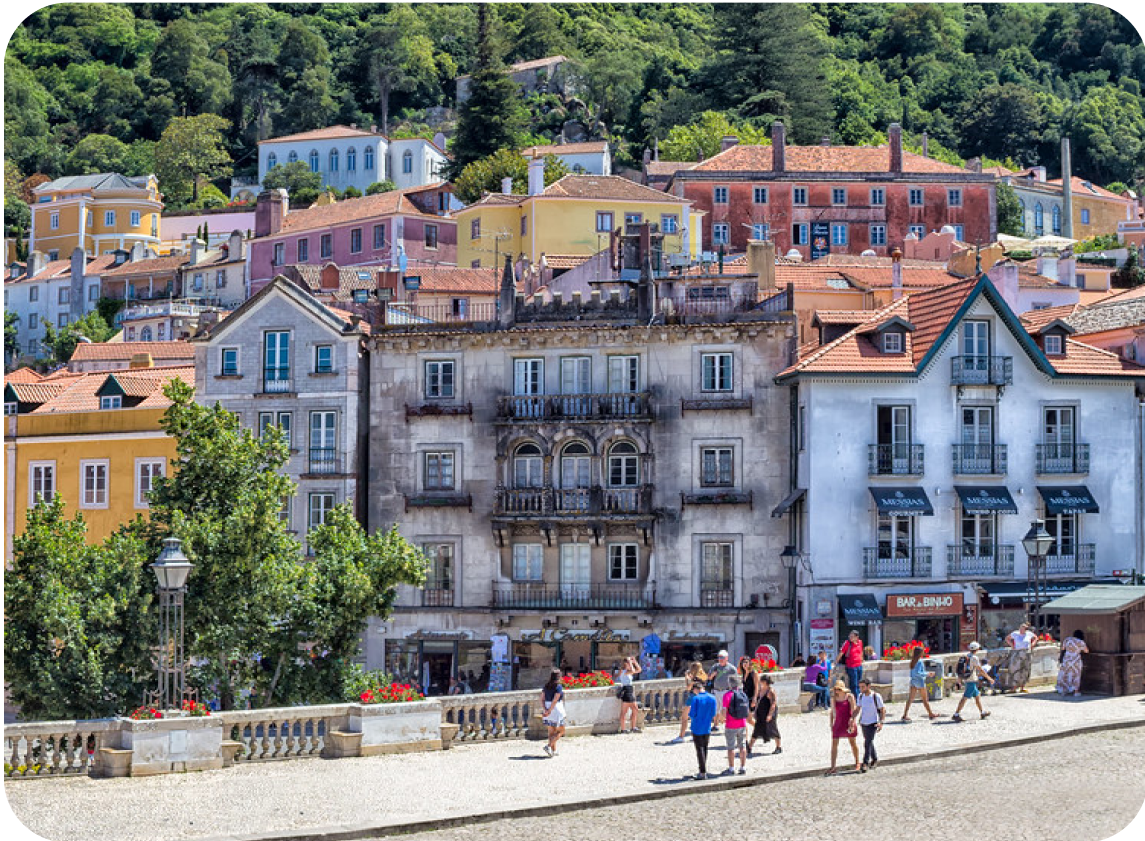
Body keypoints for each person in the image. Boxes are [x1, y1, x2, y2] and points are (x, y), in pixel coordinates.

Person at [952, 642, 995, 722]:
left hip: (968, 679)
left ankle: (982, 712)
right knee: (964, 698)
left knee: (977, 696)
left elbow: (960, 670)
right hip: (971, 680)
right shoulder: (974, 658)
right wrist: (989, 678)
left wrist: (959, 680)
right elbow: (980, 670)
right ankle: (956, 714)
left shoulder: (966, 657)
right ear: (977, 649)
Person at [668, 661, 709, 744]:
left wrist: (688, 678)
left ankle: (681, 736)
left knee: (684, 717)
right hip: (702, 698)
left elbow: (688, 688)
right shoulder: (703, 676)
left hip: (693, 698)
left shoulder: (693, 678)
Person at [826, 679, 861, 775]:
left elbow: (853, 710)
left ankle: (857, 762)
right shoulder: (833, 698)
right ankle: (833, 766)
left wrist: (853, 723)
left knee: (852, 743)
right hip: (838, 722)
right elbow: (832, 712)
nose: (837, 691)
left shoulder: (849, 697)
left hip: (848, 721)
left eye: (839, 689)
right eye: (836, 689)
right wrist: (831, 723)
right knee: (834, 744)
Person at [686, 679, 718, 780]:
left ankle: (702, 771)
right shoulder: (712, 698)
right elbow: (713, 713)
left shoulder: (696, 699)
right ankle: (703, 769)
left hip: (697, 726)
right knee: (705, 748)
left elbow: (692, 714)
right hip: (707, 726)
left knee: (699, 749)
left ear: (696, 689)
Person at [900, 644, 940, 721]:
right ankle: (931, 714)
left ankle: (905, 715)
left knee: (910, 699)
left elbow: (913, 673)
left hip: (913, 681)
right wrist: (928, 674)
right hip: (920, 681)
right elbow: (919, 673)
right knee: (925, 700)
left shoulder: (912, 661)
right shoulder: (920, 662)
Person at [720, 675, 749, 775]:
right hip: (742, 723)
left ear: (729, 683)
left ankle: (731, 768)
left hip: (731, 724)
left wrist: (723, 719)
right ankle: (743, 767)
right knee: (742, 746)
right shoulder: (743, 694)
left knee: (731, 747)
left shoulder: (727, 695)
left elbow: (724, 711)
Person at [856, 677, 885, 771]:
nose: (861, 689)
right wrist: (852, 718)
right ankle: (875, 758)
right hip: (864, 722)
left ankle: (865, 762)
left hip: (873, 722)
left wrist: (881, 722)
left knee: (867, 742)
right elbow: (858, 708)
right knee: (869, 741)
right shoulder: (860, 696)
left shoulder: (876, 696)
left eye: (863, 687)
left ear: (869, 686)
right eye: (860, 687)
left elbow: (882, 709)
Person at [748, 673, 781, 756]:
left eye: (761, 681)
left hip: (768, 712)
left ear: (765, 682)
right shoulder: (760, 690)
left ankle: (778, 747)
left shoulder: (771, 691)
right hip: (761, 713)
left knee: (773, 729)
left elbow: (773, 704)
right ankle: (749, 747)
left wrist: (770, 715)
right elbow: (758, 702)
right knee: (757, 729)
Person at [708, 650, 737, 730]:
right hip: (716, 690)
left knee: (726, 709)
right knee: (716, 708)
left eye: (722, 657)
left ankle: (728, 725)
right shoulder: (715, 666)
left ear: (727, 658)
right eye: (719, 657)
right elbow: (709, 677)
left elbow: (735, 681)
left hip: (726, 691)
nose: (720, 659)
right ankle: (715, 725)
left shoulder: (731, 668)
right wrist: (713, 675)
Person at [540, 668, 566, 757]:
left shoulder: (546, 686)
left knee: (551, 732)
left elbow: (542, 699)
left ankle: (553, 751)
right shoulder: (558, 687)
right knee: (561, 731)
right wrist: (550, 710)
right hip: (556, 709)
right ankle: (548, 746)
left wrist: (545, 710)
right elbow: (555, 700)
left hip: (547, 707)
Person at [1005, 622, 1038, 693]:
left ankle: (1022, 687)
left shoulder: (1029, 633)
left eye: (1023, 629)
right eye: (1021, 628)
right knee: (1015, 669)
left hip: (1027, 652)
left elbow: (1035, 638)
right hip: (1017, 652)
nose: (1021, 630)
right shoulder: (1015, 633)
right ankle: (1014, 687)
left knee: (1025, 669)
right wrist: (1012, 645)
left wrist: (1032, 644)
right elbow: (1007, 638)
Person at [1056, 629, 1089, 696]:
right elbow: (1086, 651)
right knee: (1076, 675)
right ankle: (1076, 691)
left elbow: (1063, 648)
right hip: (1076, 660)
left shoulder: (1067, 639)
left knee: (1065, 674)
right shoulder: (1081, 642)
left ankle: (1063, 690)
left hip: (1067, 659)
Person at [617, 655, 642, 733]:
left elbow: (639, 670)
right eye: (628, 662)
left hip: (630, 691)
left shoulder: (628, 672)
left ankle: (632, 727)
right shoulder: (623, 671)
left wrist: (635, 662)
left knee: (635, 709)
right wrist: (631, 663)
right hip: (627, 691)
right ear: (625, 663)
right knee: (624, 712)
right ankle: (624, 729)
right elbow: (634, 670)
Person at [838, 631, 864, 699]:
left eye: (852, 636)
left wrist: (861, 659)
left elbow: (861, 651)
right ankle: (856, 699)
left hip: (859, 665)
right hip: (851, 666)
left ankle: (859, 697)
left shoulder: (860, 642)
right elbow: (841, 653)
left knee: (860, 683)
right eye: (850, 636)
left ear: (856, 637)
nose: (850, 638)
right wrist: (835, 662)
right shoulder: (847, 643)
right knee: (854, 684)